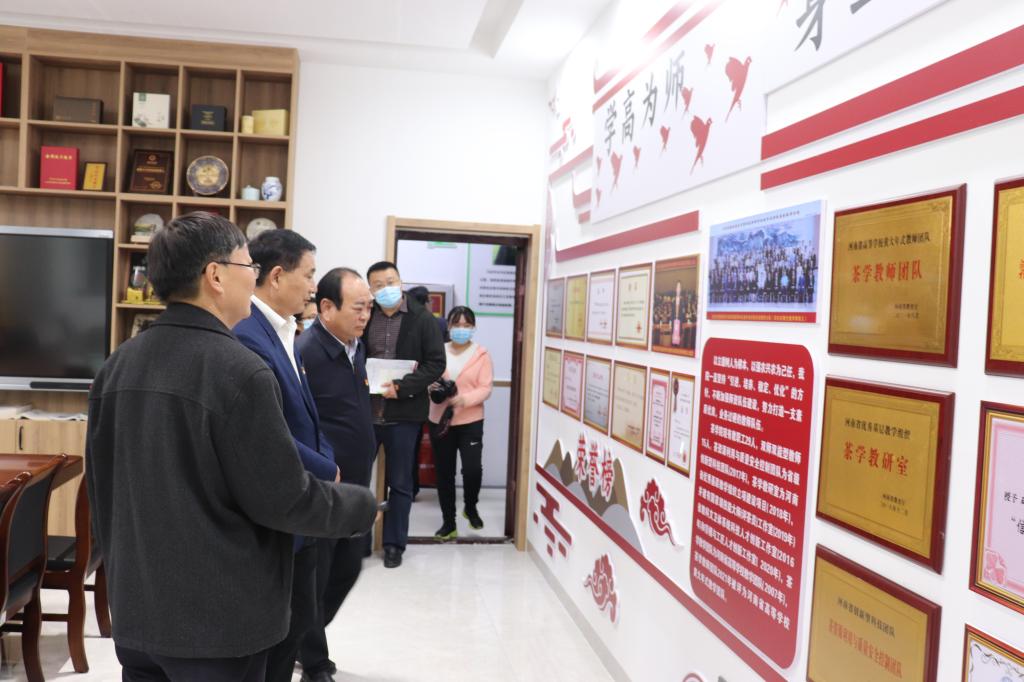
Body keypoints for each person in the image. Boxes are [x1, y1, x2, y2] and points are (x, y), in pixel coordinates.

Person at [85, 212, 377, 682]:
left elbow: (101, 491)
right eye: (248, 266)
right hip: (218, 622)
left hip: (138, 612)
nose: (255, 277)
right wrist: (358, 506)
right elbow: (281, 496)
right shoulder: (238, 370)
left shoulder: (117, 365)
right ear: (215, 276)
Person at [233, 229, 339, 682]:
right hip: (279, 505)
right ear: (276, 276)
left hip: (302, 501)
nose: (313, 286)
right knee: (275, 642)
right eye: (309, 275)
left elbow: (306, 415)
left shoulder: (285, 330)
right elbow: (267, 429)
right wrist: (326, 468)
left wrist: (327, 460)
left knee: (297, 622)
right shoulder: (248, 335)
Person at [295, 268, 376, 682]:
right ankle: (314, 661)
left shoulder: (355, 348)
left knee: (349, 565)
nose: (365, 316)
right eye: (358, 307)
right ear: (327, 308)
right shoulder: (306, 352)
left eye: (369, 308)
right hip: (325, 485)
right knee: (319, 572)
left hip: (355, 483)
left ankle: (301, 636)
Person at [364, 261, 445, 568]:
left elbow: (435, 364)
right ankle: (357, 540)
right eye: (378, 285)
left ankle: (394, 545)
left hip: (404, 414)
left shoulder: (422, 319)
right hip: (366, 414)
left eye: (391, 282)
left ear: (400, 281)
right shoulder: (365, 314)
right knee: (358, 479)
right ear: (370, 289)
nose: (386, 289)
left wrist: (402, 387)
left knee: (400, 483)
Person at [428, 306, 493, 539]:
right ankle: (449, 523)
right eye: (457, 325)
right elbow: (427, 379)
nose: (461, 329)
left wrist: (464, 399)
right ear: (448, 326)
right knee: (444, 473)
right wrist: (431, 388)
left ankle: (470, 506)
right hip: (440, 420)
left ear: (473, 328)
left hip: (471, 419)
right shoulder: (437, 352)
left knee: (472, 469)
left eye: (466, 325)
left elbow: (486, 388)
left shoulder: (481, 354)